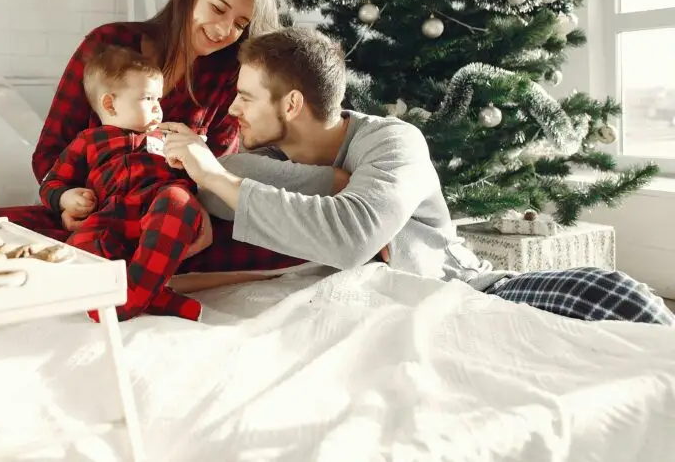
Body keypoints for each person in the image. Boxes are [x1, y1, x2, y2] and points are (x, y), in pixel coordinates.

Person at [161, 26, 675, 326]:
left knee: (616, 294)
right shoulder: (265, 160)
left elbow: (351, 233)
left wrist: (215, 176)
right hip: (374, 309)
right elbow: (202, 186)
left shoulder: (394, 141)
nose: (232, 108)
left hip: (464, 289)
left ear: (292, 103)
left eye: (246, 96)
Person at [0, 0, 315, 310]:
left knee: (269, 239)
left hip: (169, 217)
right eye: (218, 8)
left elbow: (217, 171)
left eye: (240, 24)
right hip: (93, 214)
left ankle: (128, 284)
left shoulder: (226, 79)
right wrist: (69, 205)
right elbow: (50, 155)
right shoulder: (108, 46)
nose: (224, 29)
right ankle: (137, 274)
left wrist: (197, 207)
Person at [39, 43, 211, 321]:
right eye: (148, 99)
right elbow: (51, 183)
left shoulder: (164, 137)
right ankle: (149, 299)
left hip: (158, 214)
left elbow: (199, 177)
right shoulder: (88, 140)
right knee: (77, 249)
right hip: (109, 218)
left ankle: (125, 302)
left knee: (178, 200)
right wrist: (66, 197)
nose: (158, 109)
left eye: (158, 99)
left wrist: (191, 157)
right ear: (109, 103)